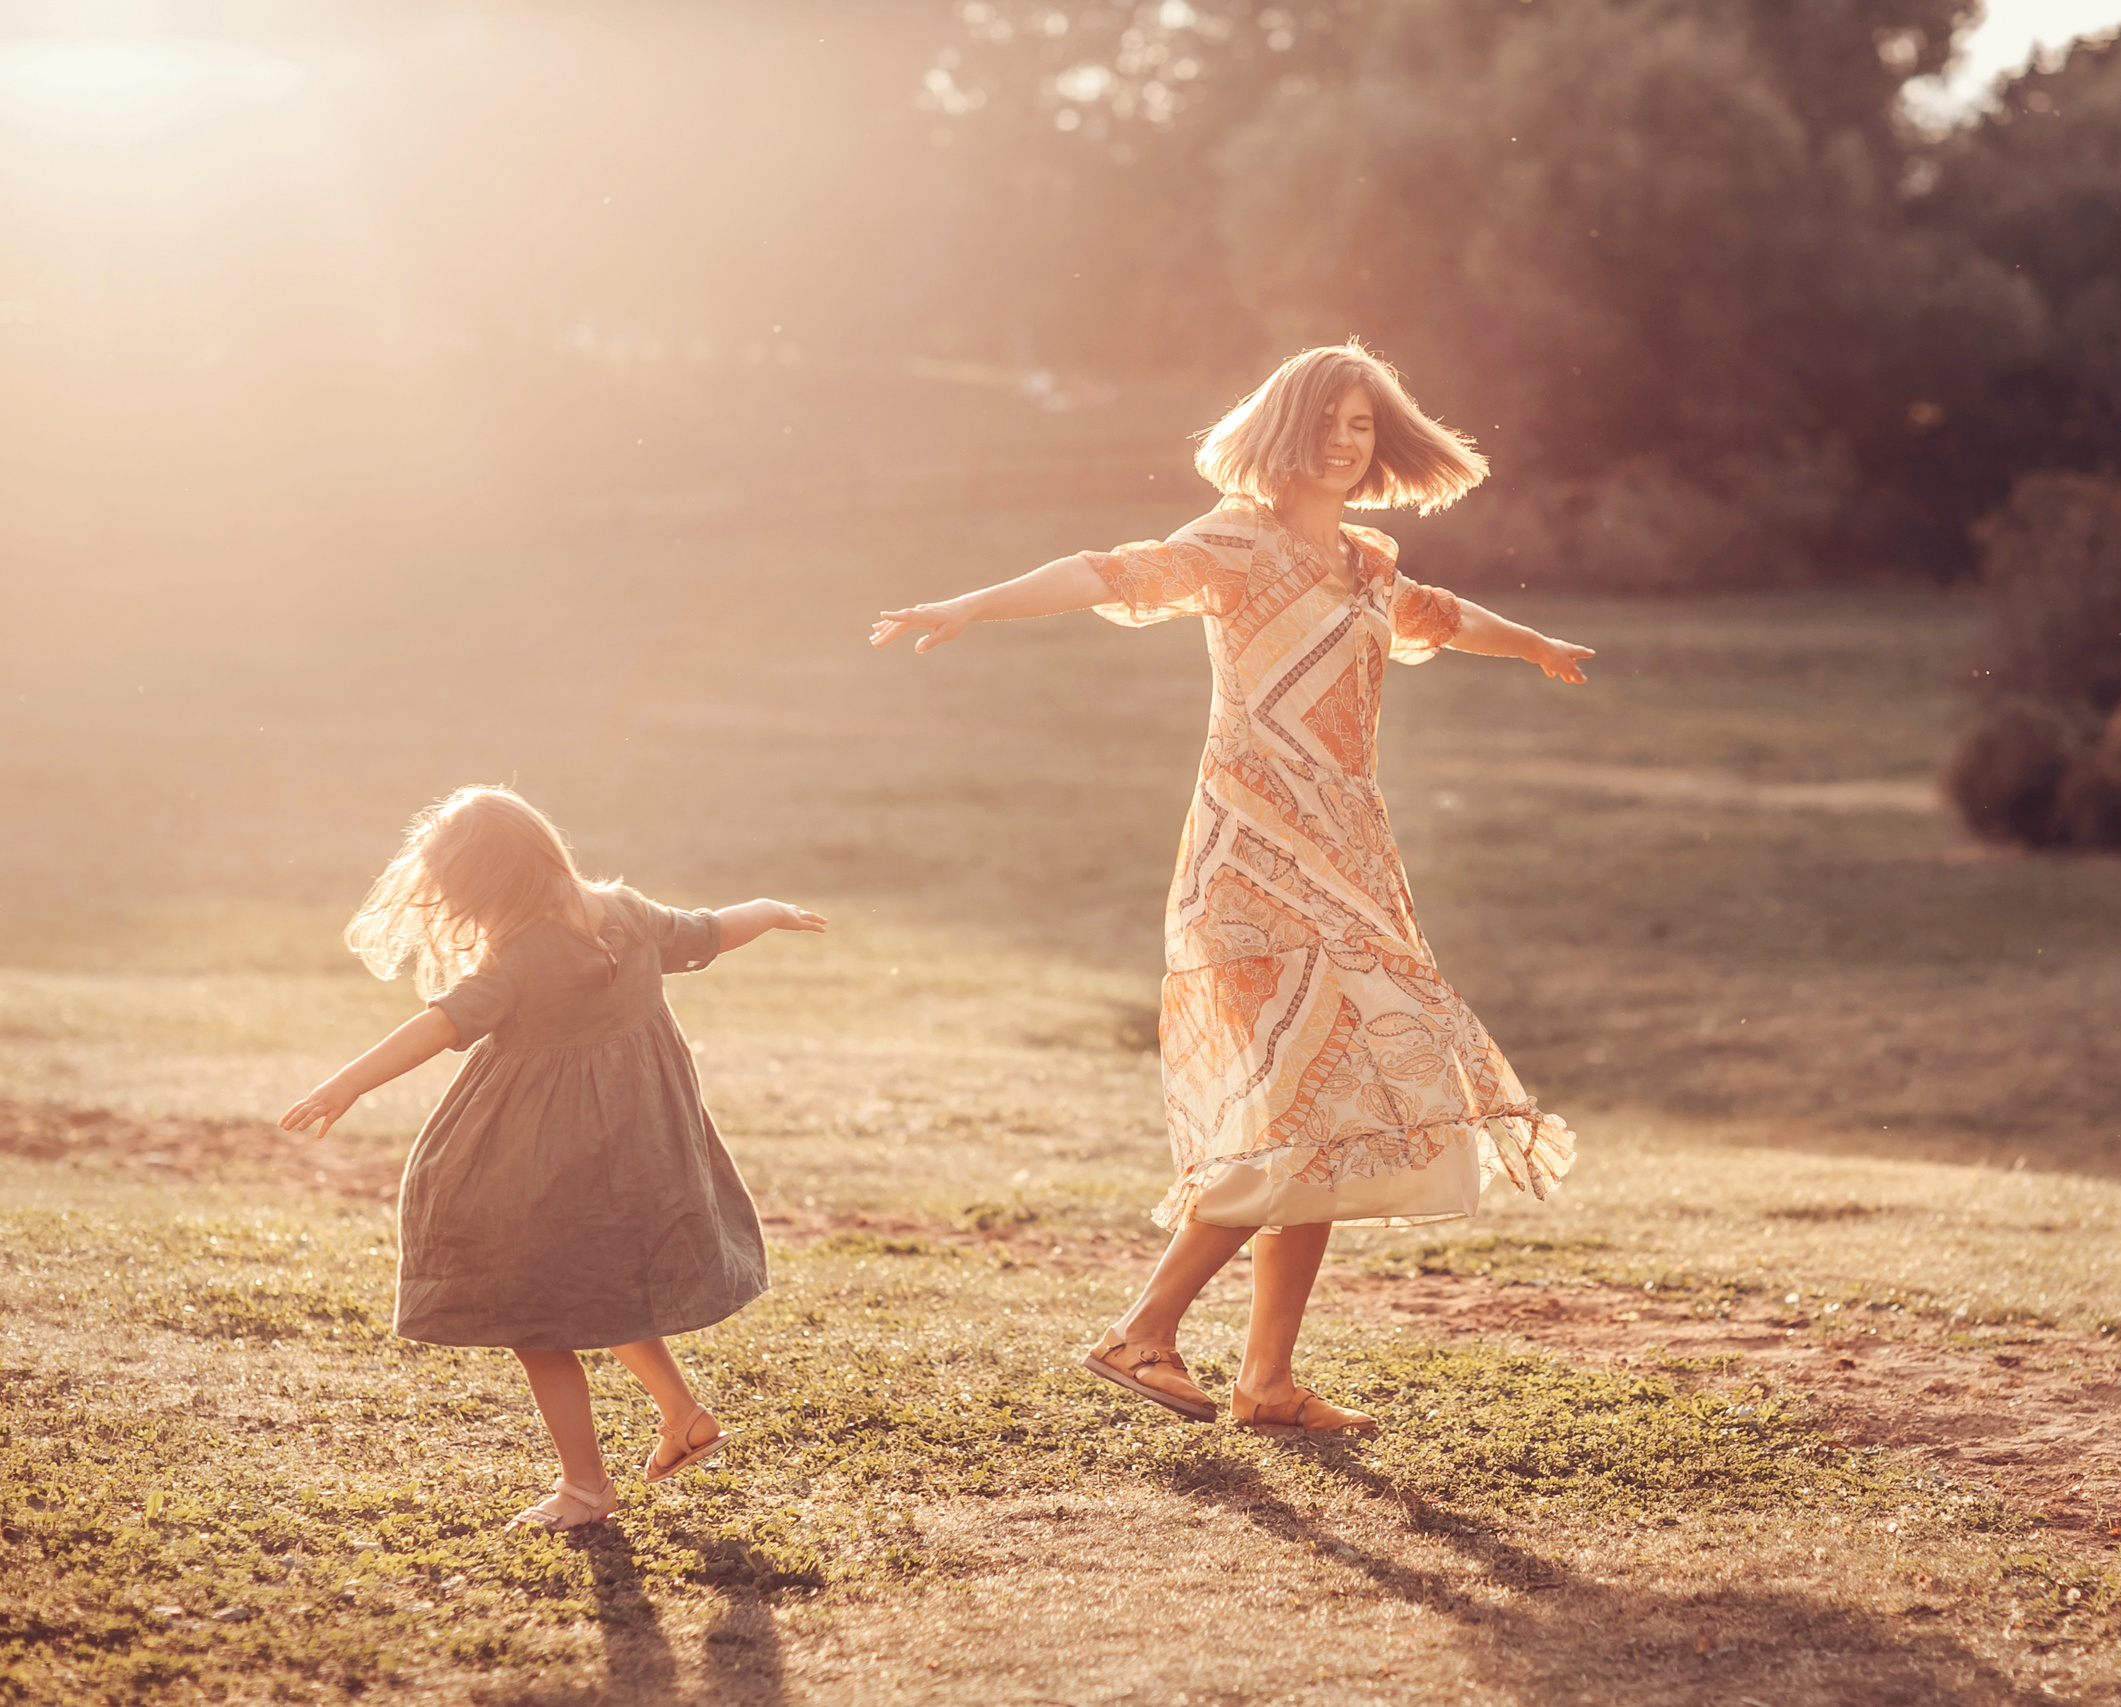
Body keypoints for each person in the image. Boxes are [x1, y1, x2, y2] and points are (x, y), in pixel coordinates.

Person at [871, 341, 1589, 1437]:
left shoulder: (1365, 564)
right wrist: (970, 603)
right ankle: (1141, 1332)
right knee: (1305, 1106)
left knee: (1328, 1111)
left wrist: (1533, 643)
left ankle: (1265, 1382)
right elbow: (1104, 572)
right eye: (1333, 424)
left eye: (1365, 427)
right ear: (1286, 430)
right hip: (1251, 860)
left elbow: (1438, 616)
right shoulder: (1232, 545)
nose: (1348, 445)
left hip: (1347, 857)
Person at [277, 785, 826, 1530]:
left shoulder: (524, 955)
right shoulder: (625, 912)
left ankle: (585, 1488)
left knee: (532, 1310)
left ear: (487, 886)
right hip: (635, 1145)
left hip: (538, 1153)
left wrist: (345, 1083)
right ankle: (682, 1414)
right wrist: (769, 907)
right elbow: (711, 930)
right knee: (597, 1279)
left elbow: (437, 1024)